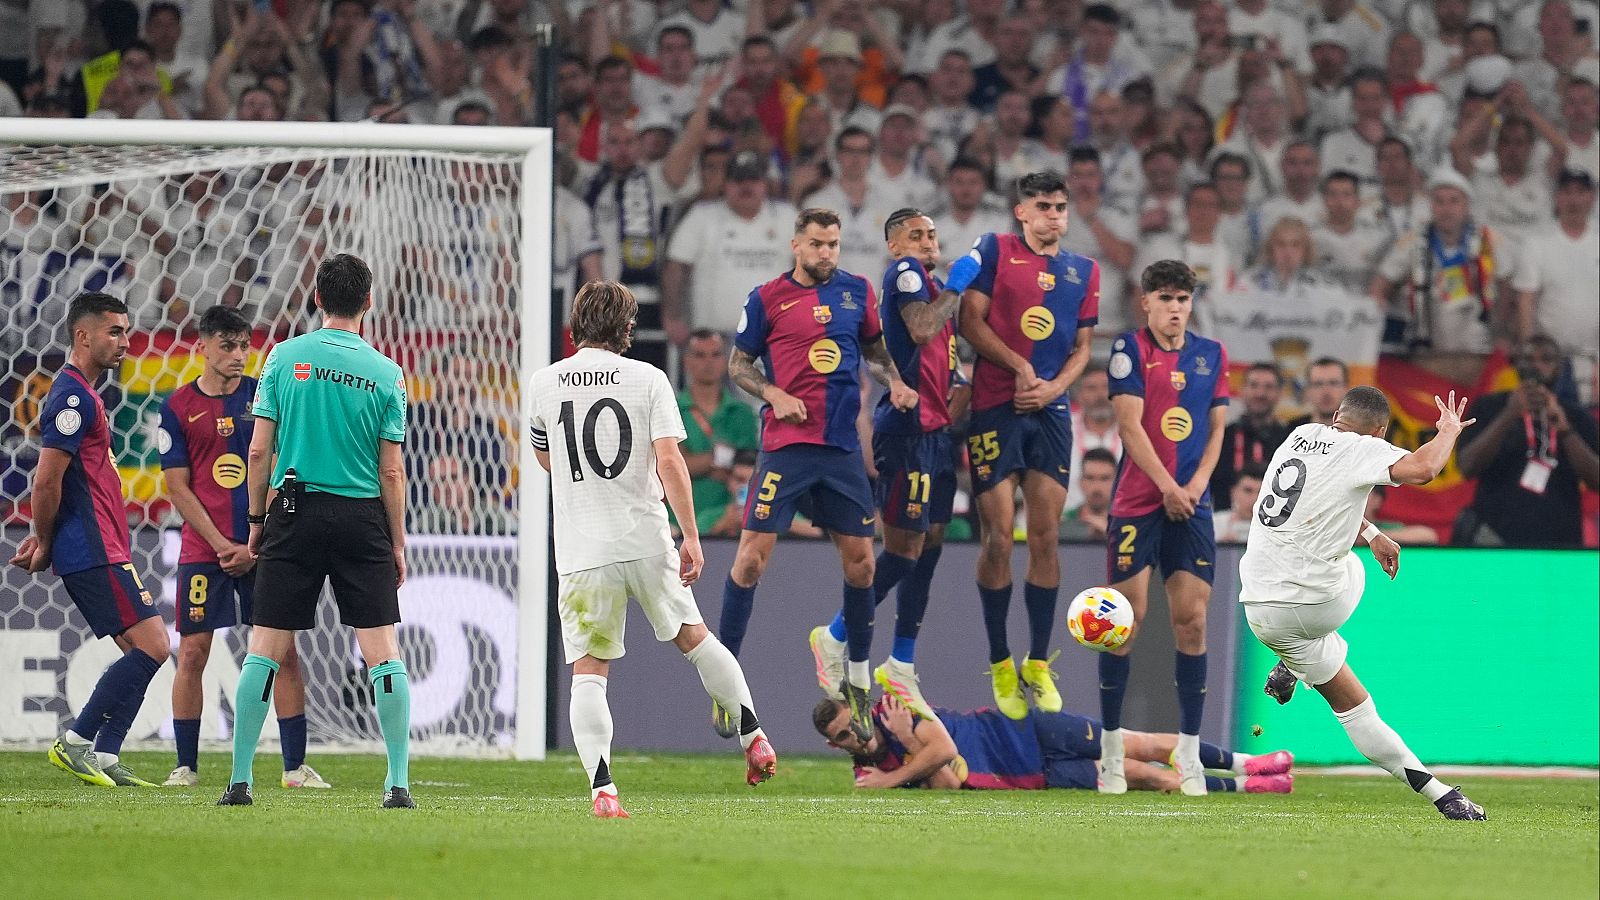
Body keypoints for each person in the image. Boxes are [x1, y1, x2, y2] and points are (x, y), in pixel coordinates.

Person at [530, 281, 775, 819]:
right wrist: (689, 534)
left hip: (582, 549)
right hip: (644, 536)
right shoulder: (649, 379)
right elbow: (670, 461)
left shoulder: (543, 383)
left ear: (574, 328)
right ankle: (753, 735)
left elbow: (546, 459)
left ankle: (603, 790)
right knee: (695, 637)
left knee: (589, 672)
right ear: (626, 331)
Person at [218, 254, 412, 809]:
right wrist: (396, 541)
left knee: (266, 649)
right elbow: (391, 470)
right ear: (368, 303)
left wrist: (256, 521)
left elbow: (258, 450)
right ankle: (397, 783)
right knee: (382, 653)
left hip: (294, 511)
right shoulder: (386, 372)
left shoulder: (284, 356)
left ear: (318, 299)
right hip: (360, 517)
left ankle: (239, 781)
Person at [1240, 385, 1487, 820]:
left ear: (1337, 414)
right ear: (1380, 431)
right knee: (1352, 568)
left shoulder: (1297, 437)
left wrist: (1372, 533)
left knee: (1355, 709)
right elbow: (1427, 468)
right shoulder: (1361, 448)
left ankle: (1442, 794)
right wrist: (1448, 429)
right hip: (1315, 605)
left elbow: (1325, 501)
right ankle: (1295, 666)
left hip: (1258, 610)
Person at [721, 208, 917, 742]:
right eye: (817, 244)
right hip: (786, 450)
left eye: (833, 244)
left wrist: (895, 381)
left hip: (841, 453)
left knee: (861, 568)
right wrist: (773, 392)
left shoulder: (857, 293)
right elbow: (738, 364)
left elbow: (875, 351)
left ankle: (855, 677)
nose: (827, 253)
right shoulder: (767, 299)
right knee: (750, 560)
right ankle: (725, 682)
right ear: (795, 246)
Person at [158, 307, 325, 790]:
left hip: (264, 547)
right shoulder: (177, 407)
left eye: (243, 346)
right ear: (203, 346)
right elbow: (178, 487)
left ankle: (294, 768)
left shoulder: (263, 395)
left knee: (283, 653)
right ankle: (185, 766)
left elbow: (281, 464)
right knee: (192, 653)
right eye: (227, 346)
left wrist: (257, 539)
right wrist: (221, 543)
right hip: (202, 551)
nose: (237, 355)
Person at [10, 293, 170, 789]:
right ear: (83, 336)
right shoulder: (73, 397)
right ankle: (76, 742)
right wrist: (42, 540)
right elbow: (45, 481)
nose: (124, 340)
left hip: (103, 545)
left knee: (140, 652)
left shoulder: (85, 394)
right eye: (114, 331)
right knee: (155, 646)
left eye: (126, 331)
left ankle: (104, 754)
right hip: (93, 546)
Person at [954, 171, 1098, 720]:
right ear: (1021, 212)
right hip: (996, 406)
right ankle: (999, 659)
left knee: (1045, 536)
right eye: (1044, 206)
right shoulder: (994, 250)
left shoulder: (1084, 271)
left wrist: (1054, 389)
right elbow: (971, 321)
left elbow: (1083, 347)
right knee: (997, 539)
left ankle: (1038, 660)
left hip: (1051, 412)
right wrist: (1020, 368)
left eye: (1061, 206)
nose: (1055, 216)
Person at [810, 208, 963, 719]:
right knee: (900, 551)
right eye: (915, 235)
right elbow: (920, 330)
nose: (927, 241)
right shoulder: (908, 276)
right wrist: (957, 289)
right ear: (895, 246)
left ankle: (901, 662)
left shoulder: (933, 285)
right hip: (907, 435)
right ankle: (834, 636)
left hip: (937, 436)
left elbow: (944, 360)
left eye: (932, 233)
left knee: (929, 542)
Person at [1098, 260, 1229, 796]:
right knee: (1124, 625)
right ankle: (1110, 754)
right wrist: (1167, 487)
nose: (1175, 308)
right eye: (1165, 298)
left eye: (1183, 299)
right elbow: (1129, 427)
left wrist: (1194, 485)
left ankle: (1191, 755)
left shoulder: (1211, 354)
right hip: (1137, 502)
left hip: (1192, 503)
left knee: (1192, 622)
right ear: (1146, 302)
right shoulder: (1130, 351)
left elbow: (1218, 427)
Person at [813, 694, 1294, 794]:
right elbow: (946, 782)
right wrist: (915, 762)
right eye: (842, 736)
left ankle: (1247, 762)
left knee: (1137, 742)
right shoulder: (865, 776)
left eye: (851, 723)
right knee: (1140, 774)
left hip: (1023, 729)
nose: (853, 734)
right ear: (836, 745)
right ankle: (1247, 789)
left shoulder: (893, 711)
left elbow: (940, 751)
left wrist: (902, 756)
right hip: (1027, 775)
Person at [1456, 336, 1600, 548]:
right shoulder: (1489, 406)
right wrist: (1508, 415)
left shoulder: (1576, 415)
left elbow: (1596, 480)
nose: (1537, 365)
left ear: (1559, 368)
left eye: (1546, 359)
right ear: (1515, 363)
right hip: (1494, 537)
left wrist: (1566, 431)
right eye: (1529, 358)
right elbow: (1466, 467)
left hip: (1560, 540)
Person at [677, 329, 760, 537]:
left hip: (730, 516)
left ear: (725, 361)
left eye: (715, 355)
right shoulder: (671, 408)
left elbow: (748, 468)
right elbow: (675, 466)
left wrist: (700, 463)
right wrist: (720, 458)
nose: (708, 362)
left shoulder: (743, 413)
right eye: (699, 355)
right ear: (686, 361)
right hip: (680, 518)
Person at [1211, 363, 1291, 510]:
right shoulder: (1221, 438)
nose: (1260, 393)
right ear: (1242, 391)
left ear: (1280, 393)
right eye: (1254, 385)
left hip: (1277, 526)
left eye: (1268, 387)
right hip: (1225, 526)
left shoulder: (1290, 440)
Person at [1060, 447, 1117, 541]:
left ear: (1117, 482)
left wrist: (1111, 535)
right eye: (1090, 478)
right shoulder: (1063, 525)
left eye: (1105, 478)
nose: (1097, 487)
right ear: (1080, 482)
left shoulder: (1127, 524)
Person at [1289, 357, 1349, 429]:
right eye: (1318, 384)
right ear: (1308, 390)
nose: (1326, 391)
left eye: (1333, 383)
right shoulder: (1292, 431)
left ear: (1346, 388)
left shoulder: (1361, 434)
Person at [1214, 463, 1266, 543]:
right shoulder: (1214, 525)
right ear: (1233, 492)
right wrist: (1222, 550)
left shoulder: (1282, 531)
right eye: (1248, 491)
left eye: (1261, 492)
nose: (1255, 499)